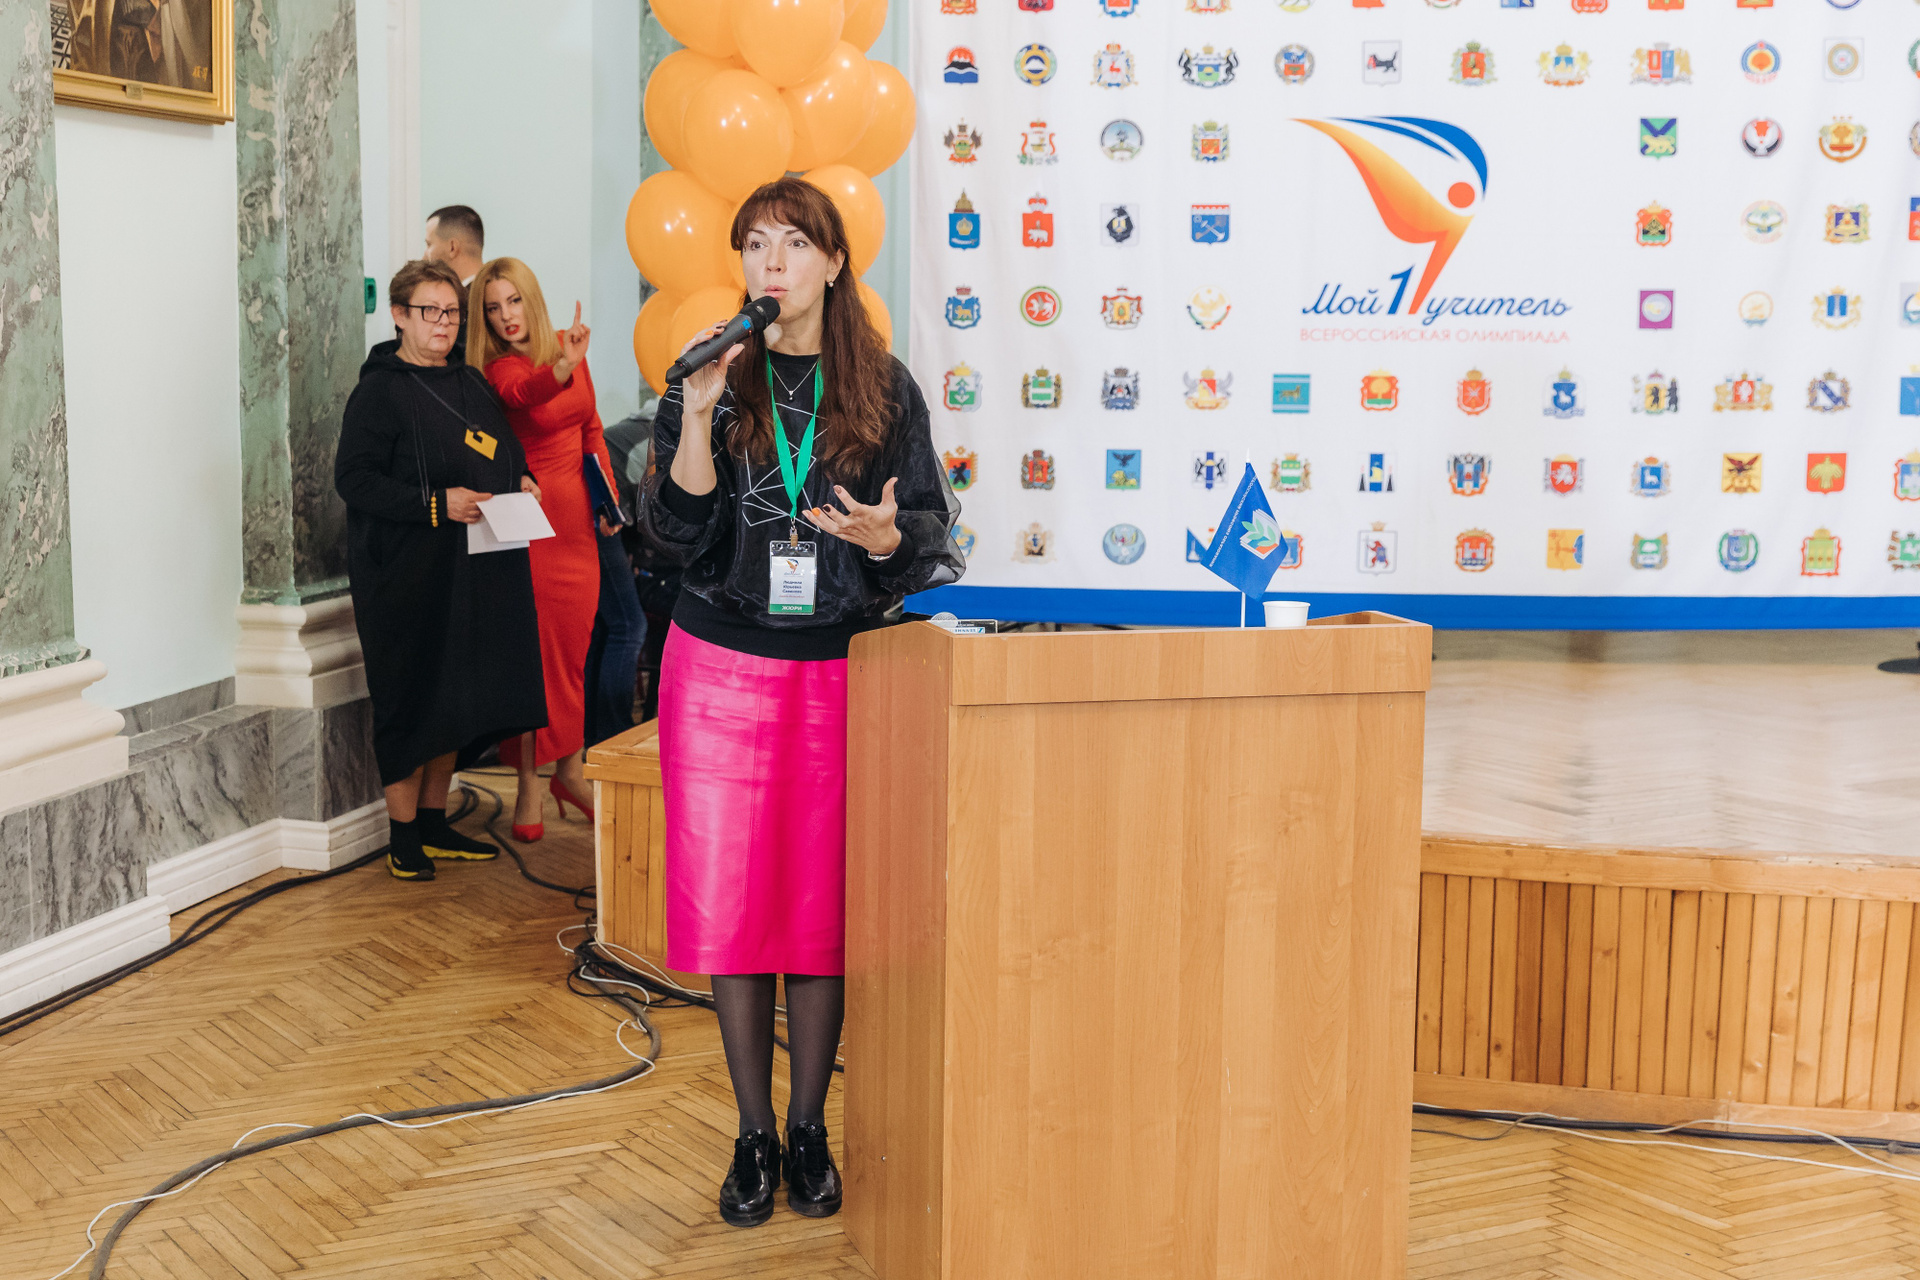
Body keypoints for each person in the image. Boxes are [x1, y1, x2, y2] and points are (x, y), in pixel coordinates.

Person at [637, 178, 964, 1228]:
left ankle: (811, 1124)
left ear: (832, 262)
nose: (770, 263)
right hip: (718, 670)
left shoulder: (885, 388)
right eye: (754, 245)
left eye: (792, 243)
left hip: (840, 674)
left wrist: (886, 537)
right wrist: (695, 420)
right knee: (736, 908)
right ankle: (752, 1133)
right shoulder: (714, 376)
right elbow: (672, 538)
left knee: (822, 908)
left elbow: (931, 536)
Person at [335, 259, 547, 880]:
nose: (444, 323)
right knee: (412, 696)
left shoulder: (469, 380)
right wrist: (435, 504)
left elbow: (504, 449)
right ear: (399, 315)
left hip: (473, 570)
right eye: (430, 311)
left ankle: (433, 822)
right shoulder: (379, 391)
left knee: (455, 695)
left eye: (452, 312)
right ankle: (403, 837)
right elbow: (354, 480)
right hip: (405, 576)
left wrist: (522, 478)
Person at [470, 257, 615, 840]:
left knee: (573, 655)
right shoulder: (498, 368)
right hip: (530, 528)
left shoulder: (565, 344)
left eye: (513, 301)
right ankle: (530, 781)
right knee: (534, 660)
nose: (506, 316)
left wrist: (609, 500)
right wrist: (562, 367)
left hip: (578, 525)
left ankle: (570, 773)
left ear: (531, 297)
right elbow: (525, 393)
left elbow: (592, 429)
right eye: (493, 307)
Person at [425, 205, 486, 360]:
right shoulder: (497, 293)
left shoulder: (462, 305)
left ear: (452, 247)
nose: (425, 256)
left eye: (429, 244)